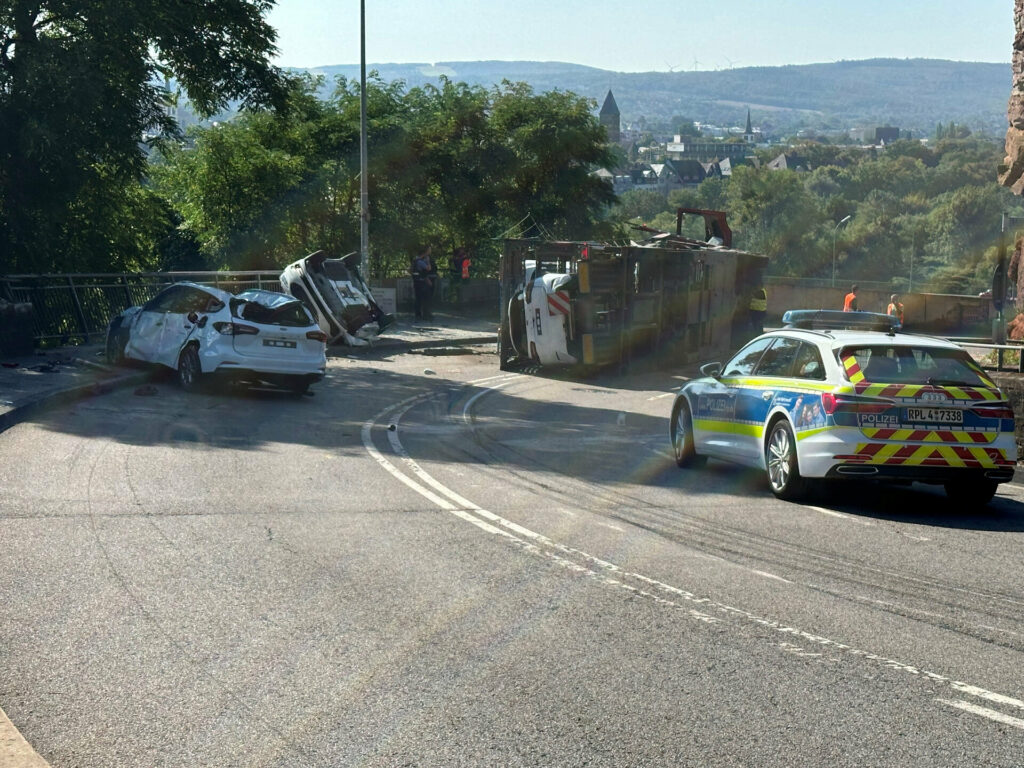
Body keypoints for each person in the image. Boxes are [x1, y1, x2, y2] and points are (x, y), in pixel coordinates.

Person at [411, 246, 433, 321]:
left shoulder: (415, 260)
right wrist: (428, 261)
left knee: (418, 298)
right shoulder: (421, 261)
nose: (430, 251)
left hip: (417, 281)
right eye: (429, 250)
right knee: (425, 298)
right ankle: (425, 315)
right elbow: (428, 268)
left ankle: (418, 314)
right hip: (421, 282)